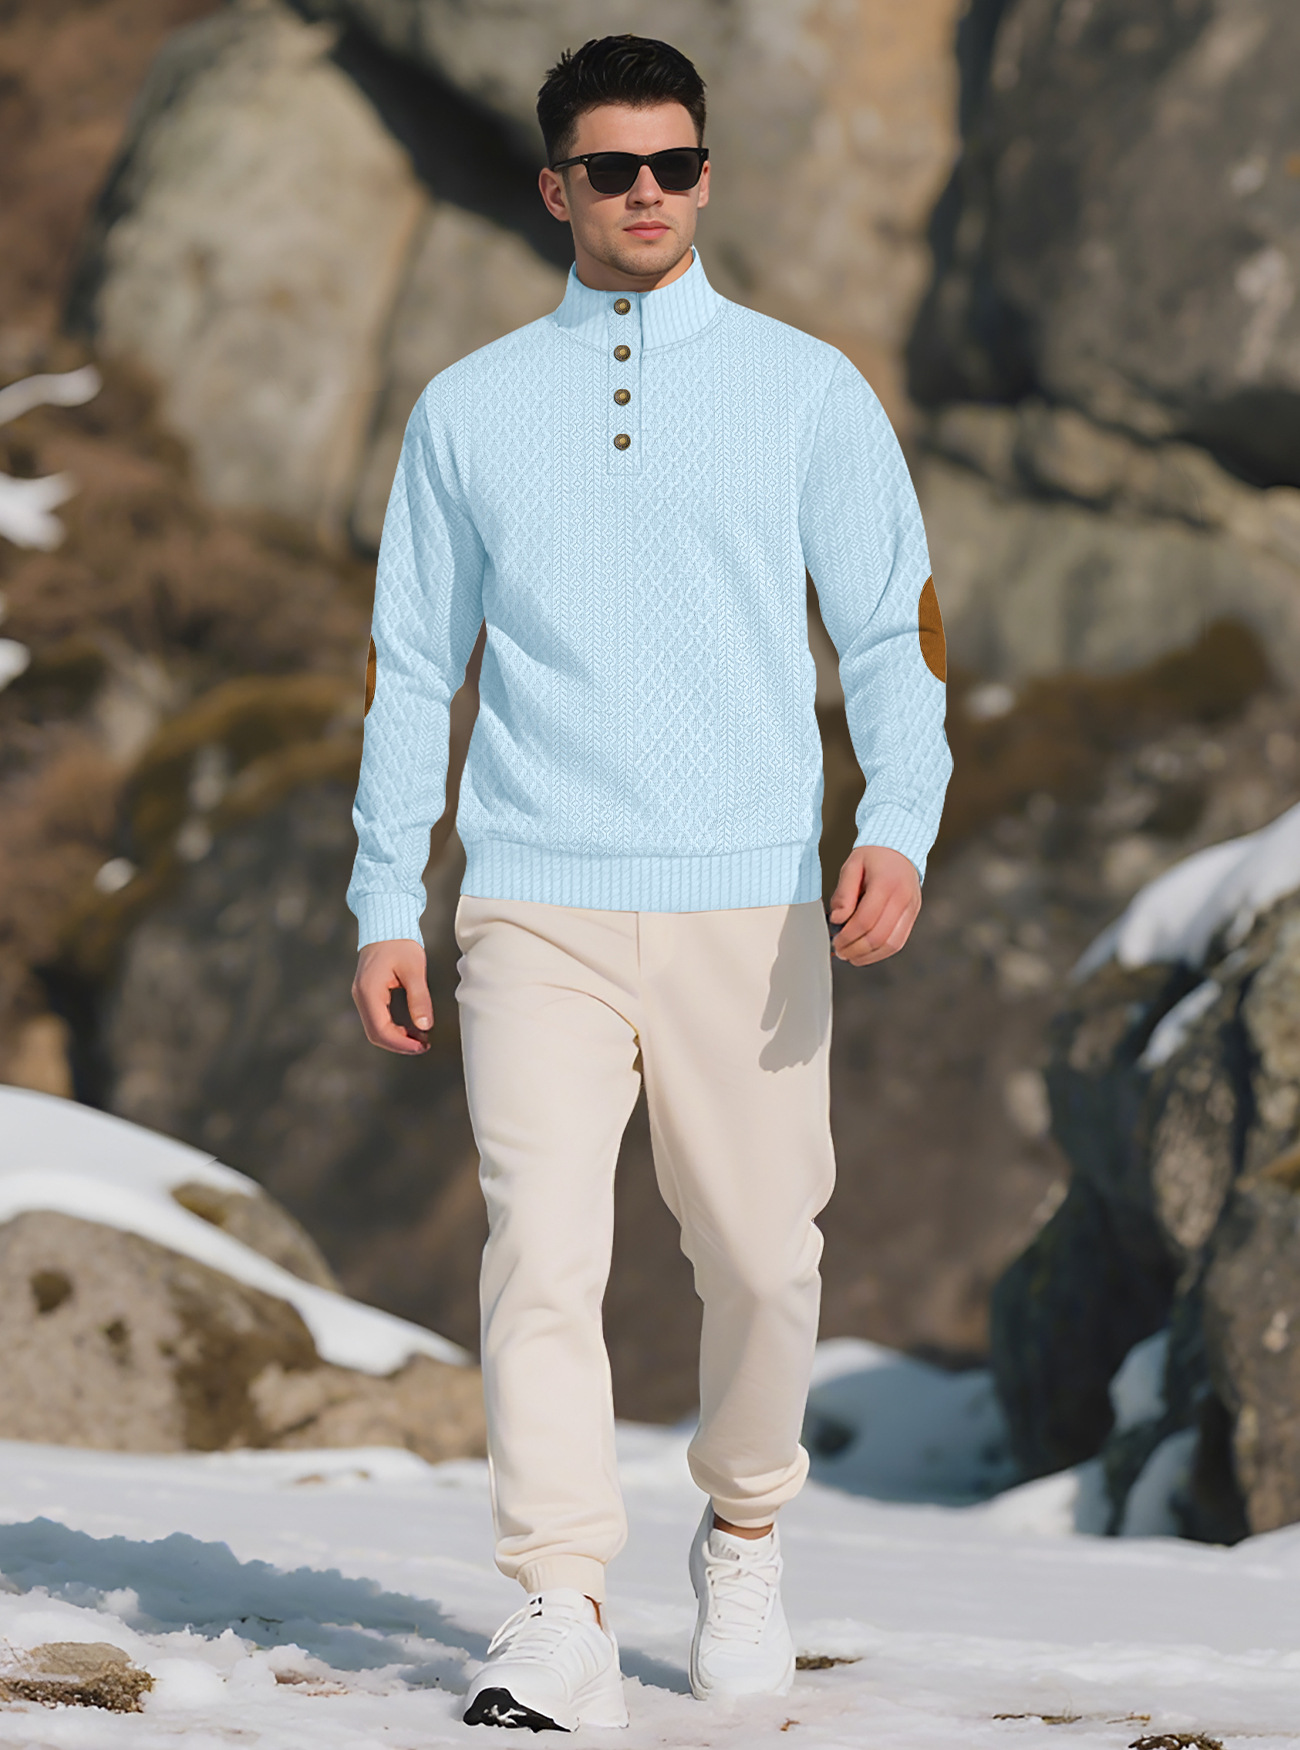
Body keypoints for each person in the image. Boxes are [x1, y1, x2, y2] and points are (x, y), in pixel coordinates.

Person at [349, 32, 951, 1733]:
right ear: (556, 188)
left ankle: (744, 1533)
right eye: (610, 168)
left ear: (705, 175)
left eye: (674, 165)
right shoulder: (468, 408)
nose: (646, 194)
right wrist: (386, 895)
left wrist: (898, 819)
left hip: (747, 899)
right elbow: (410, 669)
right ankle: (559, 1600)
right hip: (529, 899)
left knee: (763, 1257)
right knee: (541, 1253)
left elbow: (893, 633)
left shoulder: (807, 390)